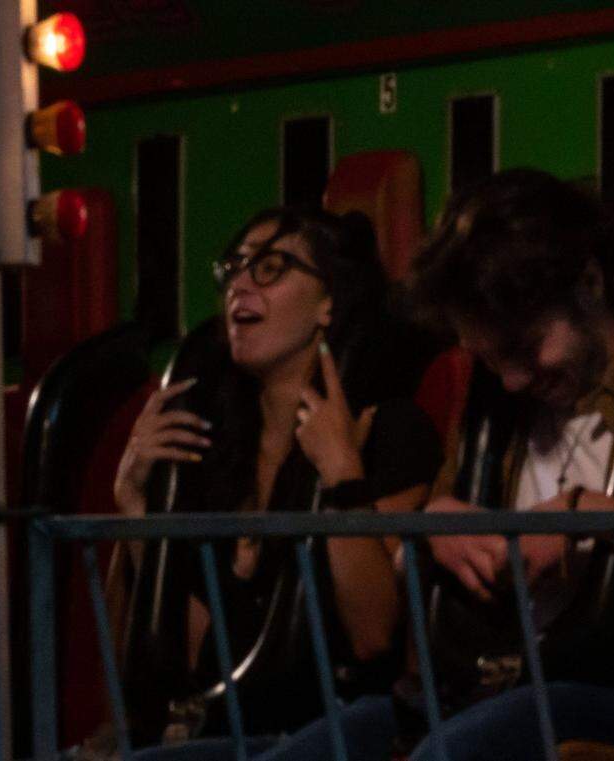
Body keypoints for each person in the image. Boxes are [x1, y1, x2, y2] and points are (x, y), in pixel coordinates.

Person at [250, 169, 614, 761]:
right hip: (490, 680)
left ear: (588, 282)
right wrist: (436, 522)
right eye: (488, 358)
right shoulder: (495, 409)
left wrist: (582, 515)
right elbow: (425, 540)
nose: (510, 380)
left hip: (612, 686)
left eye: (523, 347)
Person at [108, 207, 443, 752]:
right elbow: (195, 651)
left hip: (346, 723)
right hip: (242, 726)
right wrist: (132, 503)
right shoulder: (211, 448)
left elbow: (373, 635)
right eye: (235, 267)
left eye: (270, 267)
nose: (241, 282)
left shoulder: (389, 430)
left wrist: (343, 478)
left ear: (328, 303)